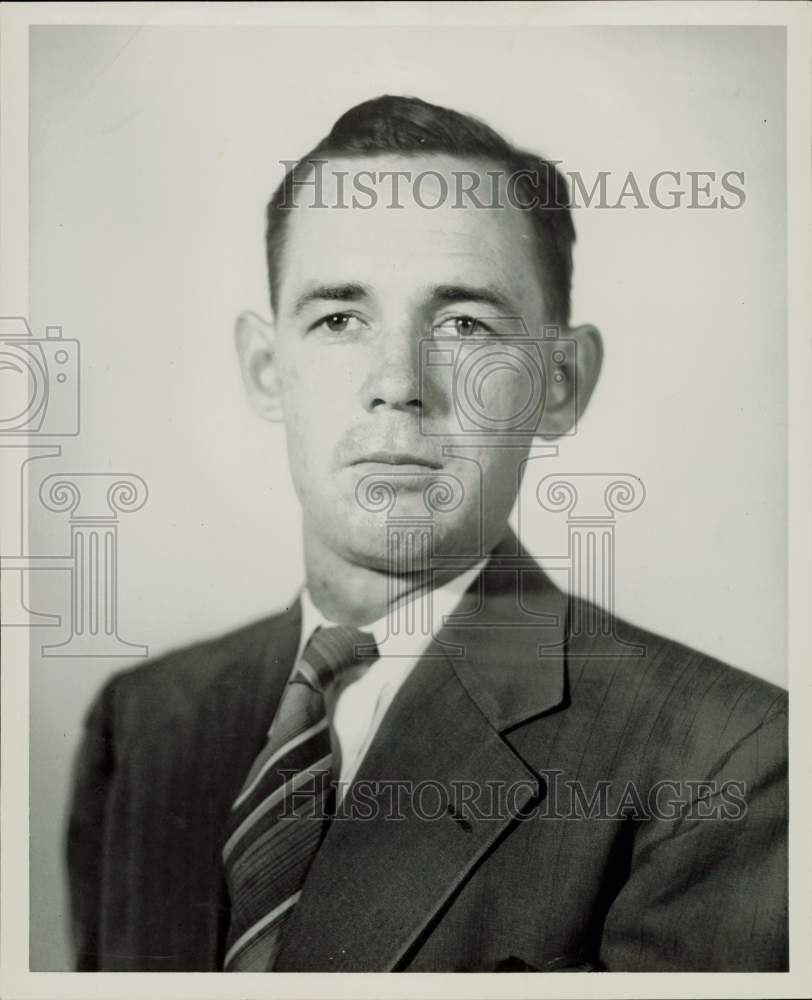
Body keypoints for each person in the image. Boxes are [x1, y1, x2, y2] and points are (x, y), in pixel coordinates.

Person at [67, 95, 787, 973]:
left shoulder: (724, 758)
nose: (398, 383)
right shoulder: (145, 724)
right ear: (266, 368)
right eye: (339, 319)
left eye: (464, 325)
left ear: (559, 384)